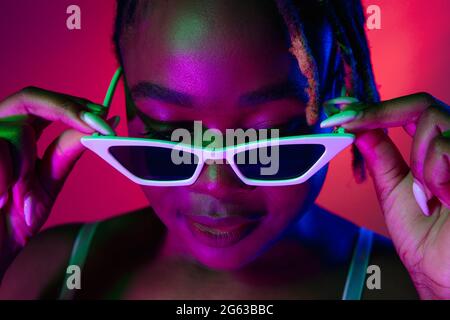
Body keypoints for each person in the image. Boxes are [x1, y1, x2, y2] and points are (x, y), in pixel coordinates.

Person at [0, 0, 448, 300]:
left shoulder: (408, 286)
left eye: (265, 134)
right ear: (118, 105)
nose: (215, 184)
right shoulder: (39, 274)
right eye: (170, 129)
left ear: (344, 98)